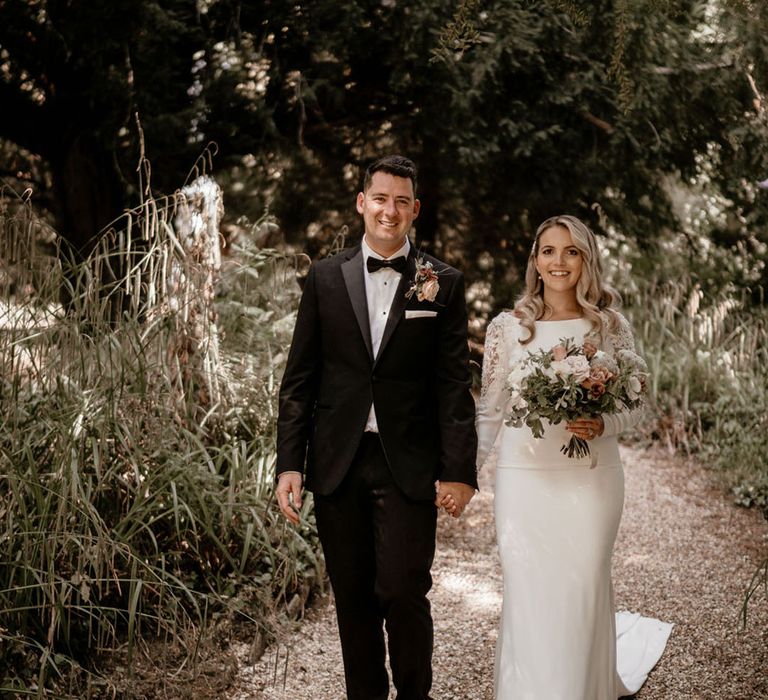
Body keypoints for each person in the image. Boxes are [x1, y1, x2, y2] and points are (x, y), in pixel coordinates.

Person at [275, 155, 478, 700]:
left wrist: (459, 470)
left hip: (408, 462)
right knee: (353, 597)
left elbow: (453, 387)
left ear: (416, 209)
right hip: (337, 463)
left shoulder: (443, 283)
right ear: (362, 202)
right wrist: (290, 463)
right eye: (380, 198)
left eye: (401, 201)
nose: (390, 211)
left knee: (404, 589)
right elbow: (300, 380)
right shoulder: (323, 278)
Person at [475, 215, 672, 699]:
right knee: (528, 592)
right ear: (535, 261)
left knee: (583, 585)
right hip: (524, 481)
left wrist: (605, 422)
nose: (558, 262)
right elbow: (490, 410)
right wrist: (465, 474)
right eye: (548, 251)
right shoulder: (508, 327)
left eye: (571, 251)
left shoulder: (610, 327)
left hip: (592, 478)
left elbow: (637, 403)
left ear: (586, 260)